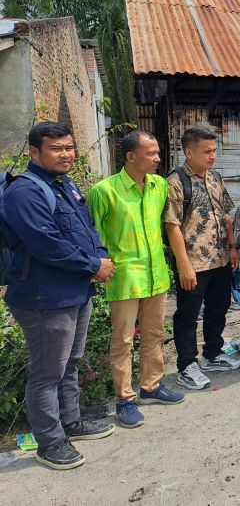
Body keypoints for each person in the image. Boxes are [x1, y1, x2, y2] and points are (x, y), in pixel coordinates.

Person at [0, 122, 115, 470]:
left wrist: (100, 257)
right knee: (48, 371)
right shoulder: (24, 193)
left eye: (69, 147)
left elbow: (87, 227)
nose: (66, 154)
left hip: (76, 290)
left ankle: (72, 420)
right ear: (35, 152)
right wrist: (93, 264)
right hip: (44, 297)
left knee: (70, 362)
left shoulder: (66, 185)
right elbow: (46, 243)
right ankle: (49, 442)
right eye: (56, 148)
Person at [88, 130, 184, 428]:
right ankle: (124, 399)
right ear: (131, 156)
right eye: (151, 153)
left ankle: (151, 386)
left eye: (157, 153)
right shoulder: (105, 191)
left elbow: (163, 226)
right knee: (123, 340)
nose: (157, 158)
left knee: (155, 334)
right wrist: (98, 266)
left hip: (156, 274)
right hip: (124, 277)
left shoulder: (159, 185)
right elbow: (92, 235)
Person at [164, 127, 240, 391]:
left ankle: (212, 354)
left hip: (219, 258)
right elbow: (171, 224)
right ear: (189, 152)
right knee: (187, 314)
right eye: (207, 152)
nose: (212, 156)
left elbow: (226, 213)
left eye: (214, 151)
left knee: (218, 307)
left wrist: (232, 246)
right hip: (194, 262)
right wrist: (183, 264)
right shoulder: (175, 181)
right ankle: (187, 365)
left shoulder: (215, 177)